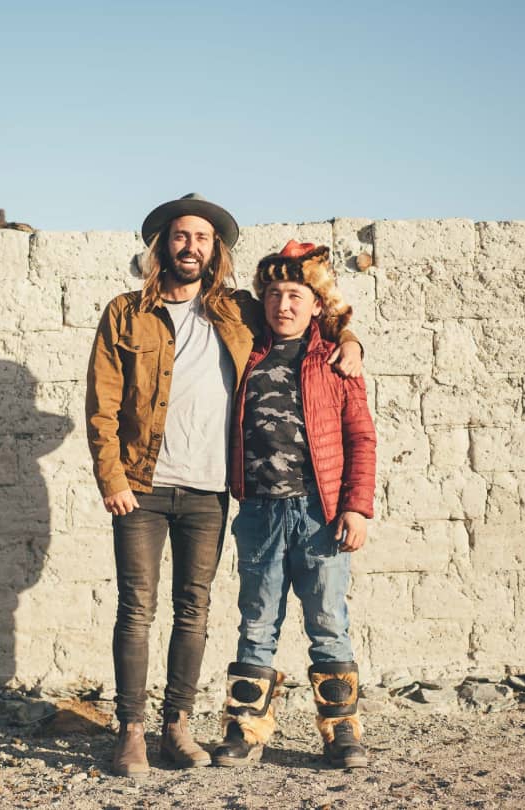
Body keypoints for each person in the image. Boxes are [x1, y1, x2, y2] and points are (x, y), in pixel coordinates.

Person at [85, 195, 364, 777]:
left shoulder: (237, 309)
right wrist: (111, 476)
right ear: (162, 244)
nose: (191, 247)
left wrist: (351, 342)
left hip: (216, 492)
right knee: (140, 609)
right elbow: (102, 404)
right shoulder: (125, 311)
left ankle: (181, 728)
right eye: (181, 236)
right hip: (145, 486)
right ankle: (134, 733)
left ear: (217, 251)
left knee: (202, 610)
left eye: (203, 238)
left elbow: (316, 309)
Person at [212, 240, 376, 770]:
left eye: (296, 295)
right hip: (259, 511)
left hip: (320, 513)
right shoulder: (245, 350)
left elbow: (361, 439)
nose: (284, 304)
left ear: (316, 304)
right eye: (276, 294)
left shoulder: (333, 360)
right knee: (256, 622)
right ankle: (244, 730)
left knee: (328, 620)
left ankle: (342, 732)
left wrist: (356, 507)